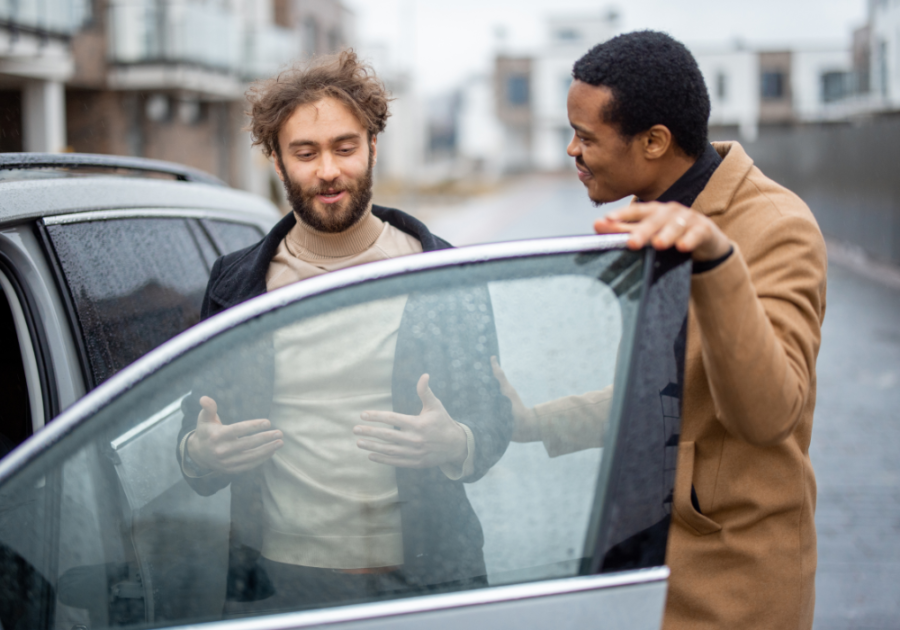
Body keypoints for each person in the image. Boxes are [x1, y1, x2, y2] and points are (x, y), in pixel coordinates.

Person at [494, 31, 826, 629]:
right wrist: (528, 422)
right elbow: (663, 401)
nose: (572, 150)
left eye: (586, 137)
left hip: (732, 587)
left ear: (654, 142)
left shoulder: (777, 228)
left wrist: (718, 264)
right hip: (639, 569)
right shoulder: (652, 217)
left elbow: (768, 415)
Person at [175, 50, 513, 611]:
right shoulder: (235, 282)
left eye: (344, 147)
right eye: (305, 153)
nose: (328, 170)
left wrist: (457, 442)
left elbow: (492, 416)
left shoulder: (442, 270)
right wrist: (198, 452)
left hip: (425, 581)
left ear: (373, 148)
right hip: (277, 585)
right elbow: (197, 423)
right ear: (278, 164)